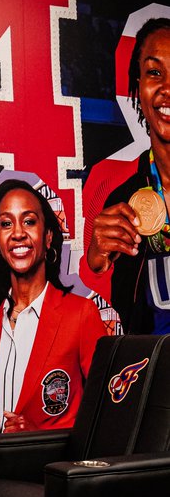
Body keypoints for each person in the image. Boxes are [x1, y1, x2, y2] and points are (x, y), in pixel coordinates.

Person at [0, 180, 106, 438]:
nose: (17, 233)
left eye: (29, 221)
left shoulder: (81, 314)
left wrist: (35, 439)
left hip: (49, 475)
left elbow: (105, 412)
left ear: (48, 237)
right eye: (6, 224)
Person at [86, 17, 170, 335]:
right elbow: (90, 288)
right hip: (142, 374)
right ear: (137, 85)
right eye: (154, 72)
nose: (166, 88)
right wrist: (97, 259)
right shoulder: (115, 192)